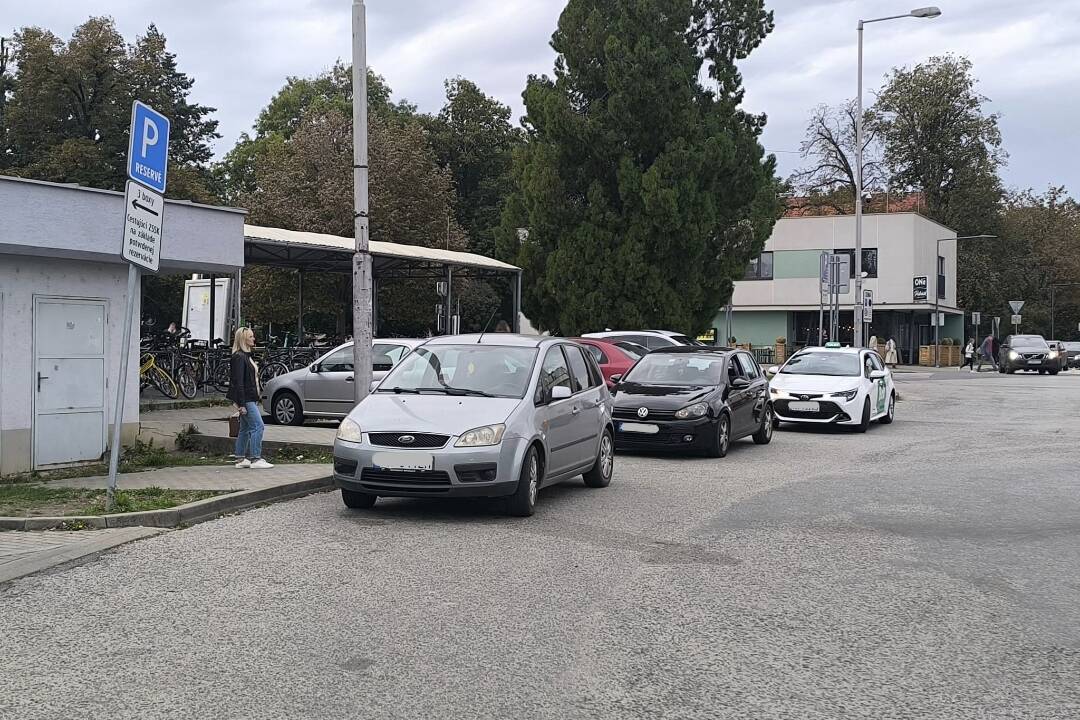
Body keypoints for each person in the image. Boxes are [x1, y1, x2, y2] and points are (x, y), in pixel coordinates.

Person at [227, 327, 273, 469]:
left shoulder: (245, 356)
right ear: (243, 339)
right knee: (258, 426)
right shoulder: (239, 357)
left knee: (245, 428)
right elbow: (238, 382)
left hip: (249, 398)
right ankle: (255, 458)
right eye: (251, 337)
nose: (254, 339)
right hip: (246, 398)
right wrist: (241, 404)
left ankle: (240, 458)